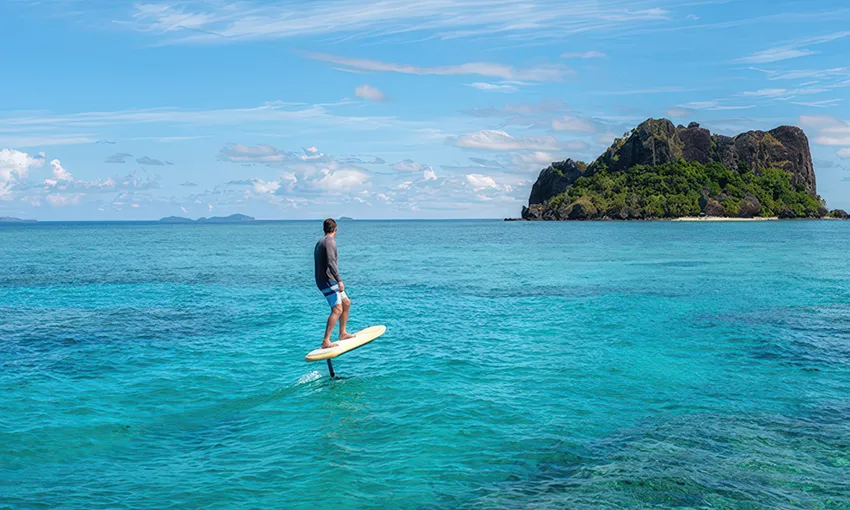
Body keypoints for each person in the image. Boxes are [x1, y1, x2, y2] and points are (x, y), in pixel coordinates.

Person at [314, 218, 354, 349]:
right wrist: (339, 280)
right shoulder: (329, 242)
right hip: (328, 281)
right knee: (337, 309)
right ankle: (326, 340)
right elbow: (331, 262)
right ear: (335, 229)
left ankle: (342, 333)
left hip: (327, 280)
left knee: (346, 303)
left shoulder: (321, 242)